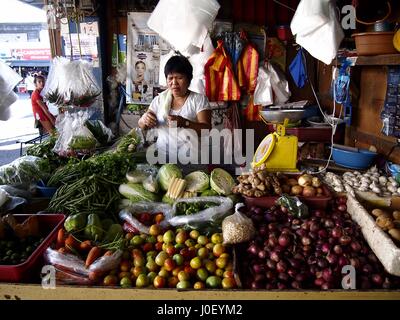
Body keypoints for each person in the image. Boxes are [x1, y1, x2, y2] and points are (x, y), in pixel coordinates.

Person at [138, 55, 211, 163]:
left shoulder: (198, 100)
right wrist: (144, 119)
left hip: (190, 159)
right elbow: (142, 125)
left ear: (189, 79)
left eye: (179, 78)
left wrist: (184, 122)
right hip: (162, 157)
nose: (174, 83)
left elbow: (206, 129)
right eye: (170, 78)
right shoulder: (160, 99)